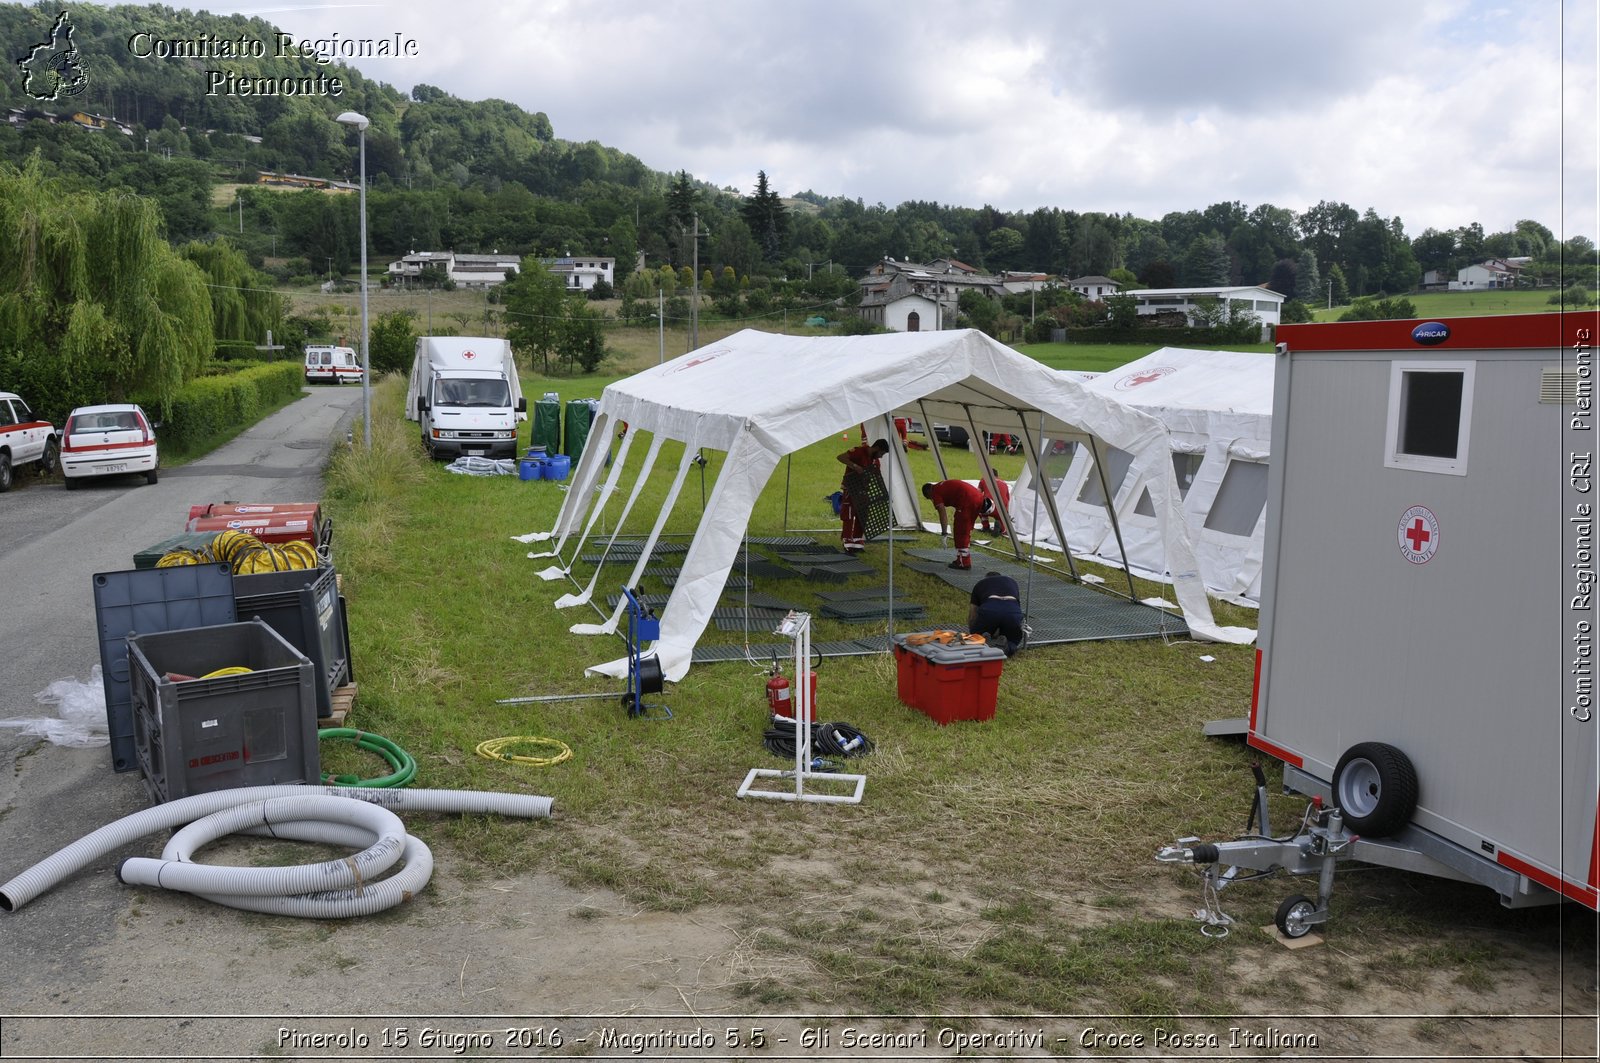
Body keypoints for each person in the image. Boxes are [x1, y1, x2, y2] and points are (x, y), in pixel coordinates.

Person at [922, 479, 992, 569]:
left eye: (929, 498)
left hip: (967, 502)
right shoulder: (940, 486)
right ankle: (962, 558)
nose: (932, 500)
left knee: (960, 530)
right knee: (966, 530)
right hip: (977, 497)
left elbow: (942, 513)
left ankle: (964, 562)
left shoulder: (935, 493)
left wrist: (944, 532)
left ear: (928, 493)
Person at [836, 437, 890, 552]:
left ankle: (857, 539)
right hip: (850, 488)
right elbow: (840, 457)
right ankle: (847, 540)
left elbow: (878, 476)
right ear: (877, 448)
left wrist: (884, 492)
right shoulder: (859, 451)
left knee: (862, 514)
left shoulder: (875, 461)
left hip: (863, 490)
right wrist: (855, 466)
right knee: (849, 514)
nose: (881, 456)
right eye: (881, 453)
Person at [969, 571, 1025, 656]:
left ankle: (983, 640)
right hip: (1012, 610)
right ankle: (1007, 647)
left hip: (990, 608)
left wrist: (973, 633)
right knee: (1013, 640)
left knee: (977, 636)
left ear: (986, 578)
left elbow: (973, 614)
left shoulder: (981, 583)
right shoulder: (1012, 582)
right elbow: (1016, 608)